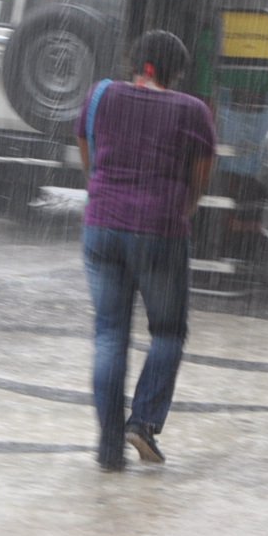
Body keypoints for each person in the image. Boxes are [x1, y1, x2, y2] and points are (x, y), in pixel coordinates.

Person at [77, 30, 217, 472]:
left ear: (134, 62)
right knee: (168, 332)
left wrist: (107, 195)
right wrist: (179, 209)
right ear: (175, 73)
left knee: (109, 335)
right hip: (160, 230)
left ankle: (109, 447)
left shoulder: (100, 96)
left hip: (101, 227)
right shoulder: (192, 111)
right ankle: (143, 422)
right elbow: (200, 177)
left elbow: (88, 155)